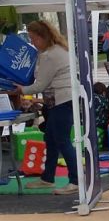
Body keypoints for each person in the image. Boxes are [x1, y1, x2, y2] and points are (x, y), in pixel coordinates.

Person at [14, 21, 78, 195]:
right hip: (60, 100)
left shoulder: (50, 55)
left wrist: (21, 89)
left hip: (61, 102)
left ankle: (75, 180)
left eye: (33, 38)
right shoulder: (58, 50)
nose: (32, 42)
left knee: (63, 140)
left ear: (43, 37)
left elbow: (41, 84)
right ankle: (47, 177)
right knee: (51, 138)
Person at [93, 82, 109, 150]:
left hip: (85, 123)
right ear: (103, 91)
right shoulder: (103, 99)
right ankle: (106, 145)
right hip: (99, 124)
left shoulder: (88, 97)